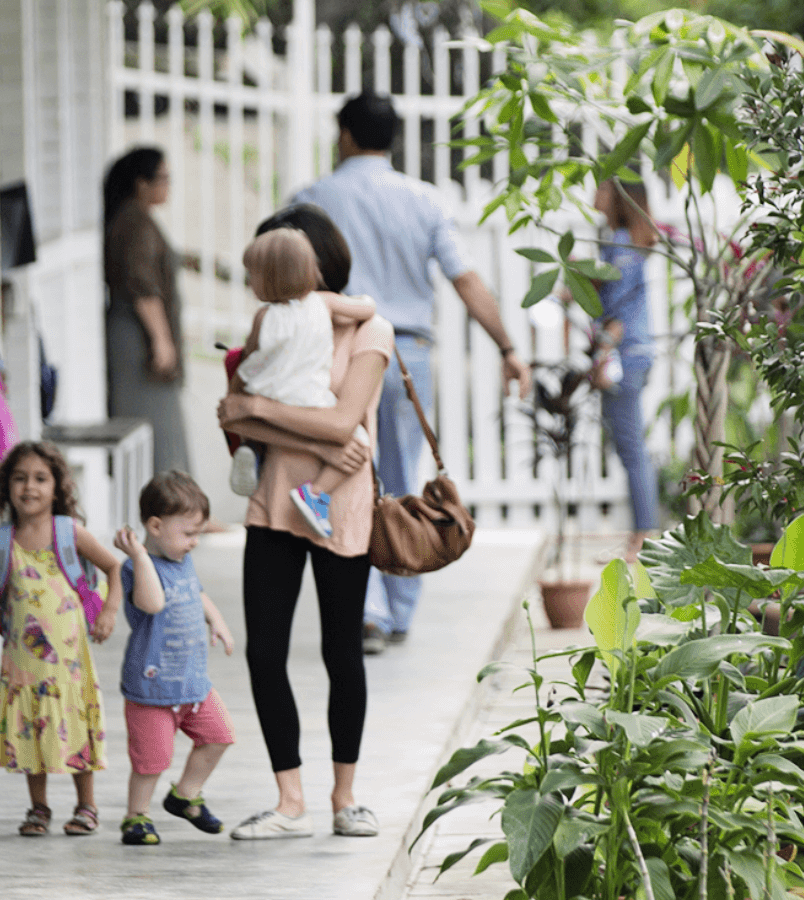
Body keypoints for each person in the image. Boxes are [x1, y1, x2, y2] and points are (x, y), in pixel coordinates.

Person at [292, 92, 530, 652]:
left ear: (346, 134)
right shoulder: (424, 201)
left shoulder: (314, 199)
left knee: (348, 475)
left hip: (337, 351)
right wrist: (506, 346)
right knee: (399, 476)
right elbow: (464, 278)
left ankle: (367, 610)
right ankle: (400, 604)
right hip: (407, 355)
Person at [216, 205, 390, 841]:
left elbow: (346, 425)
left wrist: (260, 407)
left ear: (314, 259)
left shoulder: (369, 330)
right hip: (273, 502)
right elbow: (232, 417)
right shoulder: (279, 319)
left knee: (341, 649)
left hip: (337, 506)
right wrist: (266, 417)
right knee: (265, 651)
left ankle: (346, 797)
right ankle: (290, 801)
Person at [0, 441, 122, 837]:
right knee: (31, 730)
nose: (28, 487)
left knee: (75, 725)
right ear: (6, 487)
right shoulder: (2, 541)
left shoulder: (68, 532)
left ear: (57, 487)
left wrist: (109, 611)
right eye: (19, 478)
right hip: (24, 665)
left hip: (68, 664)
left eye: (40, 479)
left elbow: (114, 567)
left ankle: (87, 806)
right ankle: (39, 808)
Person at [227, 228, 379, 538]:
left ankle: (251, 450)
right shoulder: (323, 303)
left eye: (252, 275)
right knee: (361, 442)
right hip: (309, 397)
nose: (249, 282)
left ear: (269, 278)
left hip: (269, 392)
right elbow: (368, 310)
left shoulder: (263, 316)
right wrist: (362, 298)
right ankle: (316, 494)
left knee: (259, 421)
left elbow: (253, 356)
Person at [112, 471, 236, 847]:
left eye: (198, 533)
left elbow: (196, 594)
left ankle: (185, 795)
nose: (194, 542)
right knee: (151, 760)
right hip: (153, 686)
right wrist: (137, 553)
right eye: (188, 533)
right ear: (155, 526)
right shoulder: (136, 566)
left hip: (192, 683)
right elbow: (153, 602)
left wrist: (217, 620)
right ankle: (137, 816)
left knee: (219, 736)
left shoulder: (182, 559)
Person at [104, 146, 191, 474]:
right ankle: (170, 502)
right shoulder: (134, 221)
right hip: (137, 338)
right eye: (163, 179)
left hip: (137, 333)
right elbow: (142, 286)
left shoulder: (134, 217)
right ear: (141, 183)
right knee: (154, 424)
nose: (168, 186)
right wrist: (161, 339)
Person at [590, 179, 659, 562]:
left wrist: (602, 357)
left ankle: (643, 537)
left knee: (632, 451)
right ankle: (641, 534)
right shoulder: (629, 242)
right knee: (631, 450)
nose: (593, 197)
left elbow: (618, 315)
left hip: (624, 357)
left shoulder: (620, 244)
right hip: (636, 353)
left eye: (600, 189)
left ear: (618, 195)